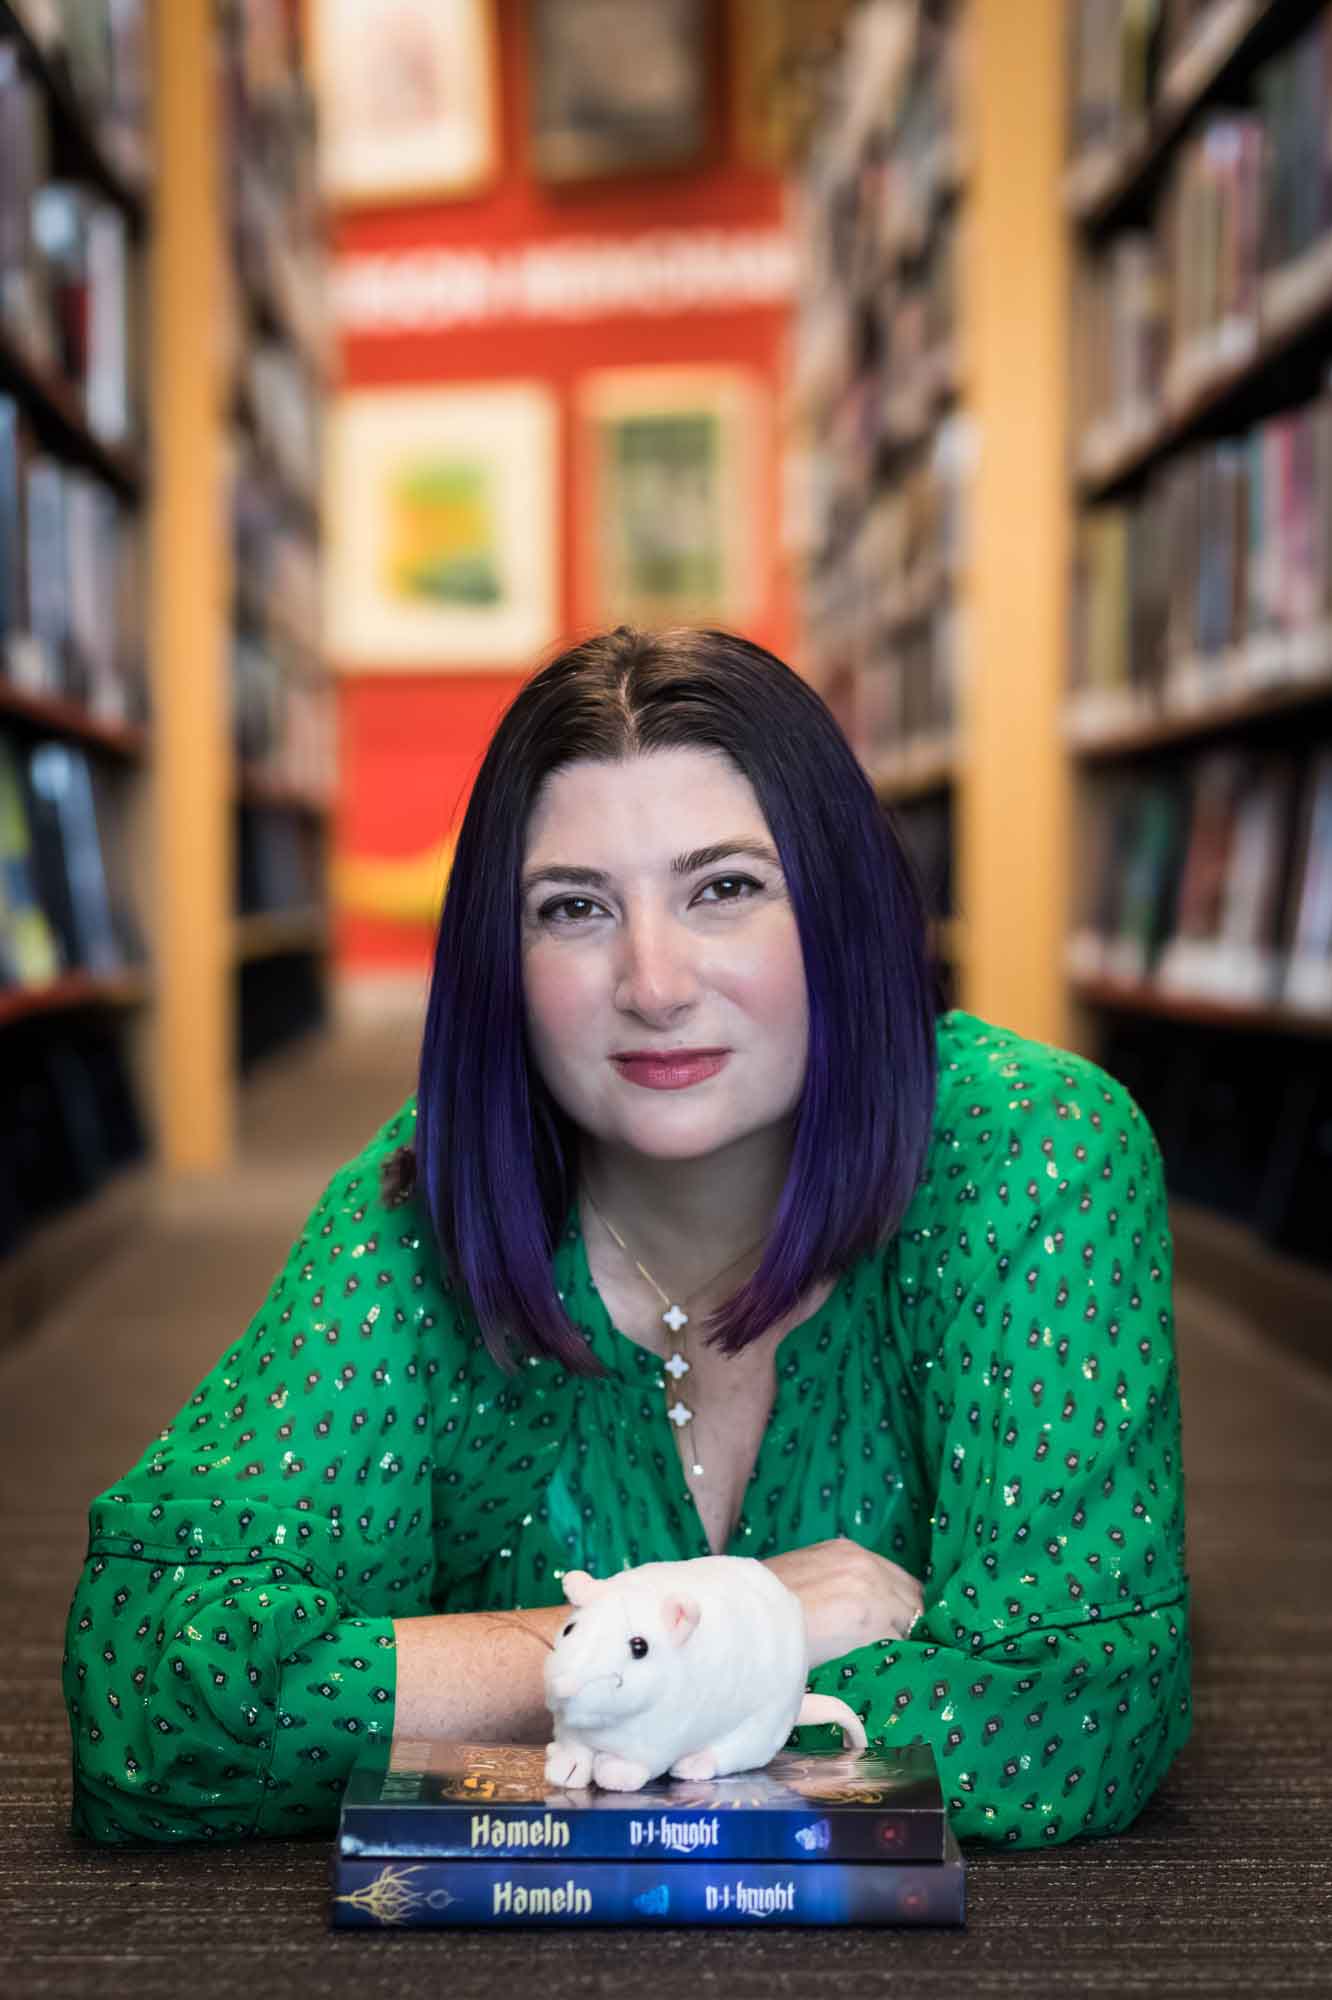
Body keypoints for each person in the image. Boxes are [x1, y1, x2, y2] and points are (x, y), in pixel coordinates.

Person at [62, 625, 1192, 1848]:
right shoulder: (424, 1201)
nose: (653, 983)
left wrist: (481, 1696)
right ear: (505, 960)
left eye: (725, 887)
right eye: (573, 907)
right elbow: (158, 1688)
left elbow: (1069, 1710)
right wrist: (727, 1620)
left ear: (842, 907)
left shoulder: (1032, 1154)